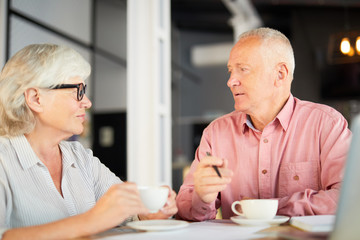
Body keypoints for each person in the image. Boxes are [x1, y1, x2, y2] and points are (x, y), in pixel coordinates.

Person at [0, 44, 178, 240]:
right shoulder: (3, 161)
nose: (87, 102)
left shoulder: (81, 157)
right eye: (78, 91)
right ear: (36, 98)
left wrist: (150, 213)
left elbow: (129, 214)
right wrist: (90, 221)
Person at [176, 27, 352, 221]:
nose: (231, 81)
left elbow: (349, 198)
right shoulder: (216, 133)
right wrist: (202, 197)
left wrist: (272, 208)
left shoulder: (327, 125)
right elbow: (184, 209)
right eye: (230, 71)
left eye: (243, 69)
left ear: (280, 74)